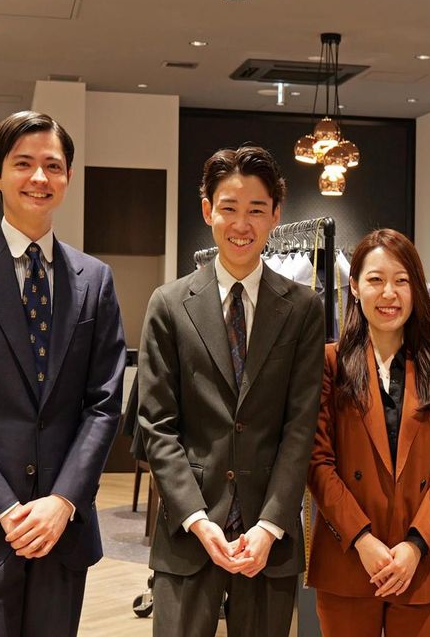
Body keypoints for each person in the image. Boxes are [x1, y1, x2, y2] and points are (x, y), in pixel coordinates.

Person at [137, 145, 325, 637]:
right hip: (188, 531)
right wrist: (197, 519)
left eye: (256, 210)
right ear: (207, 211)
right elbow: (157, 425)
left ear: (276, 216)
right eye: (229, 208)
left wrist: (270, 525)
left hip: (268, 537)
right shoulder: (169, 304)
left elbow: (301, 426)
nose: (242, 224)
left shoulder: (303, 308)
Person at [0, 111, 126, 636]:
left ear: (68, 176)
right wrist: (4, 507)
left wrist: (63, 500)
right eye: (23, 163)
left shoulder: (95, 280)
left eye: (53, 165)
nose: (39, 177)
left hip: (62, 530)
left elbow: (103, 404)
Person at [307, 228, 430, 637]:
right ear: (355, 286)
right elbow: (318, 463)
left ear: (416, 289)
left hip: (421, 563)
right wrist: (362, 540)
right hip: (348, 558)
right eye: (376, 280)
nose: (389, 293)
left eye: (401, 280)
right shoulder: (330, 363)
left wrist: (415, 545)